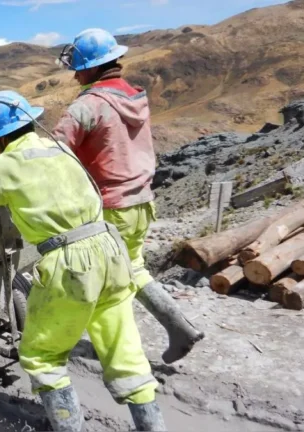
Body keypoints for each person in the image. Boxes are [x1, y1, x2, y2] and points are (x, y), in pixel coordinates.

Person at [0, 90, 166, 431]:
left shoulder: (4, 167)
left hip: (70, 262)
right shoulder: (60, 148)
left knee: (41, 356)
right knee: (123, 350)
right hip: (111, 250)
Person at [53, 28, 205, 364]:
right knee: (133, 268)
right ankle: (179, 327)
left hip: (109, 208)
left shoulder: (86, 107)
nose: (76, 75)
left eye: (79, 68)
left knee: (103, 286)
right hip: (141, 202)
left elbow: (54, 153)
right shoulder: (134, 97)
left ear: (93, 67)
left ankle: (120, 356)